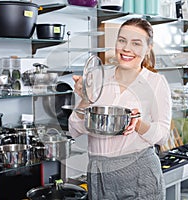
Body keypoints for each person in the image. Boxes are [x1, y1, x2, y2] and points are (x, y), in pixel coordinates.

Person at [68, 18, 172, 200]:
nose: (126, 48)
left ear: (148, 48)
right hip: (98, 172)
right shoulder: (97, 77)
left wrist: (138, 124)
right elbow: (74, 128)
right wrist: (84, 99)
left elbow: (163, 135)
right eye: (122, 40)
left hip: (139, 173)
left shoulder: (156, 83)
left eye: (136, 43)